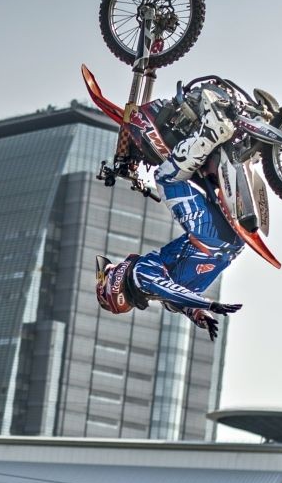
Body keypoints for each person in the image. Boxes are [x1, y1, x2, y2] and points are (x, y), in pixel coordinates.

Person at [95, 86, 244, 340]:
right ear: (113, 284)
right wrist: (207, 305)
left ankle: (238, 151)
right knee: (165, 178)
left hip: (230, 246)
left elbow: (177, 297)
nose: (115, 266)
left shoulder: (164, 298)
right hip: (208, 236)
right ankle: (211, 131)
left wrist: (200, 314)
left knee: (173, 302)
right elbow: (171, 290)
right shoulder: (141, 275)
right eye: (109, 272)